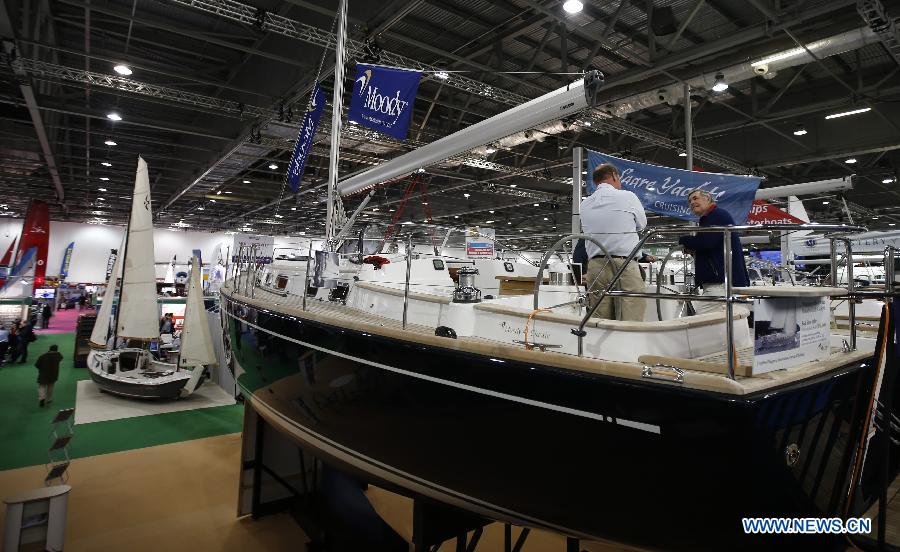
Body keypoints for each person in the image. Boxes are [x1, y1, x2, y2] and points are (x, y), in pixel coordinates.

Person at [581, 163, 648, 321]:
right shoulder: (628, 196)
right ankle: (628, 345)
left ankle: (604, 345)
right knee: (632, 313)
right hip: (624, 264)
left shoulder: (584, 204)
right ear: (614, 175)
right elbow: (642, 225)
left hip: (596, 266)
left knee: (599, 317)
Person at [678, 189, 749, 315]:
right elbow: (710, 245)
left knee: (700, 323)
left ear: (708, 198)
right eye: (689, 201)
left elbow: (705, 242)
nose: (692, 203)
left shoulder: (716, 215)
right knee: (726, 325)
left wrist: (683, 240)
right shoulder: (712, 217)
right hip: (724, 282)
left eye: (695, 198)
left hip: (721, 284)